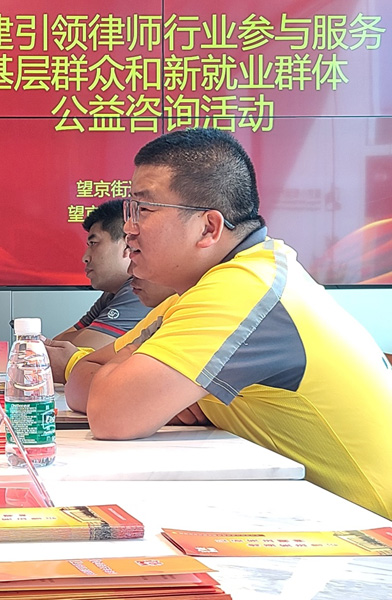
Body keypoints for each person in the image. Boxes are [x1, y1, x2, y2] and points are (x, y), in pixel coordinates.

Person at [65, 127, 392, 519]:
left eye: (143, 210)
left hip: (370, 530)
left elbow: (111, 413)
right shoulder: (199, 289)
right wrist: (157, 392)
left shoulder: (244, 287)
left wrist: (146, 389)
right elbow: (81, 380)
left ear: (209, 227)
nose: (129, 229)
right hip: (307, 512)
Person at [46, 264, 175, 384]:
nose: (130, 270)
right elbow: (60, 347)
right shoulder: (161, 305)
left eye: (138, 252)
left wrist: (72, 365)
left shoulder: (136, 293)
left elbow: (119, 386)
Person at [53, 199, 150, 348]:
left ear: (128, 245)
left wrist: (87, 334)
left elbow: (86, 348)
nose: (85, 258)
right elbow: (57, 344)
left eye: (94, 243)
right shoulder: (112, 293)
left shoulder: (140, 289)